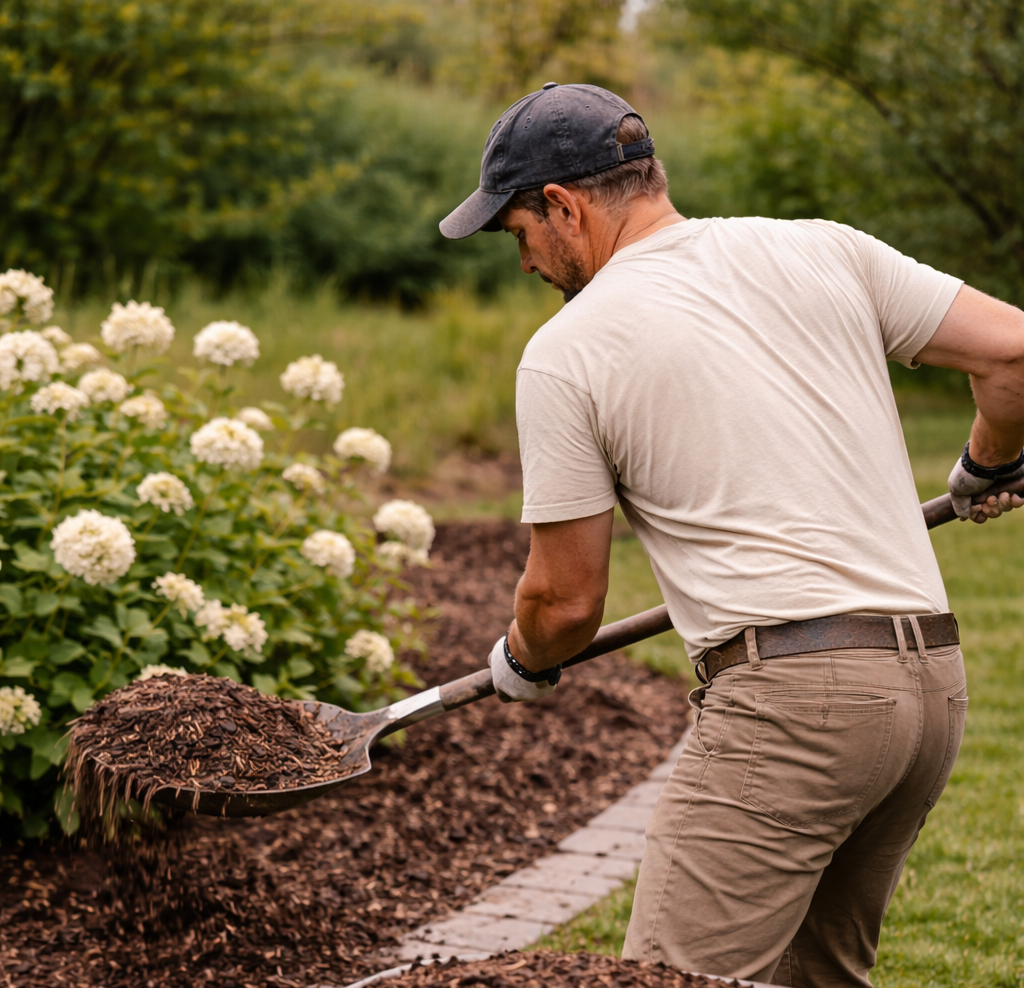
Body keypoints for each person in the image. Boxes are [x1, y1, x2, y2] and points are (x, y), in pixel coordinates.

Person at [438, 83, 1024, 987]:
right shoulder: (823, 249)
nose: (525, 264)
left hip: (792, 708)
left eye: (517, 234)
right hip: (929, 689)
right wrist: (988, 464)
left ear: (562, 206)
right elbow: (1014, 352)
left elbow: (564, 602)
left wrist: (523, 659)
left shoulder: (568, 351)